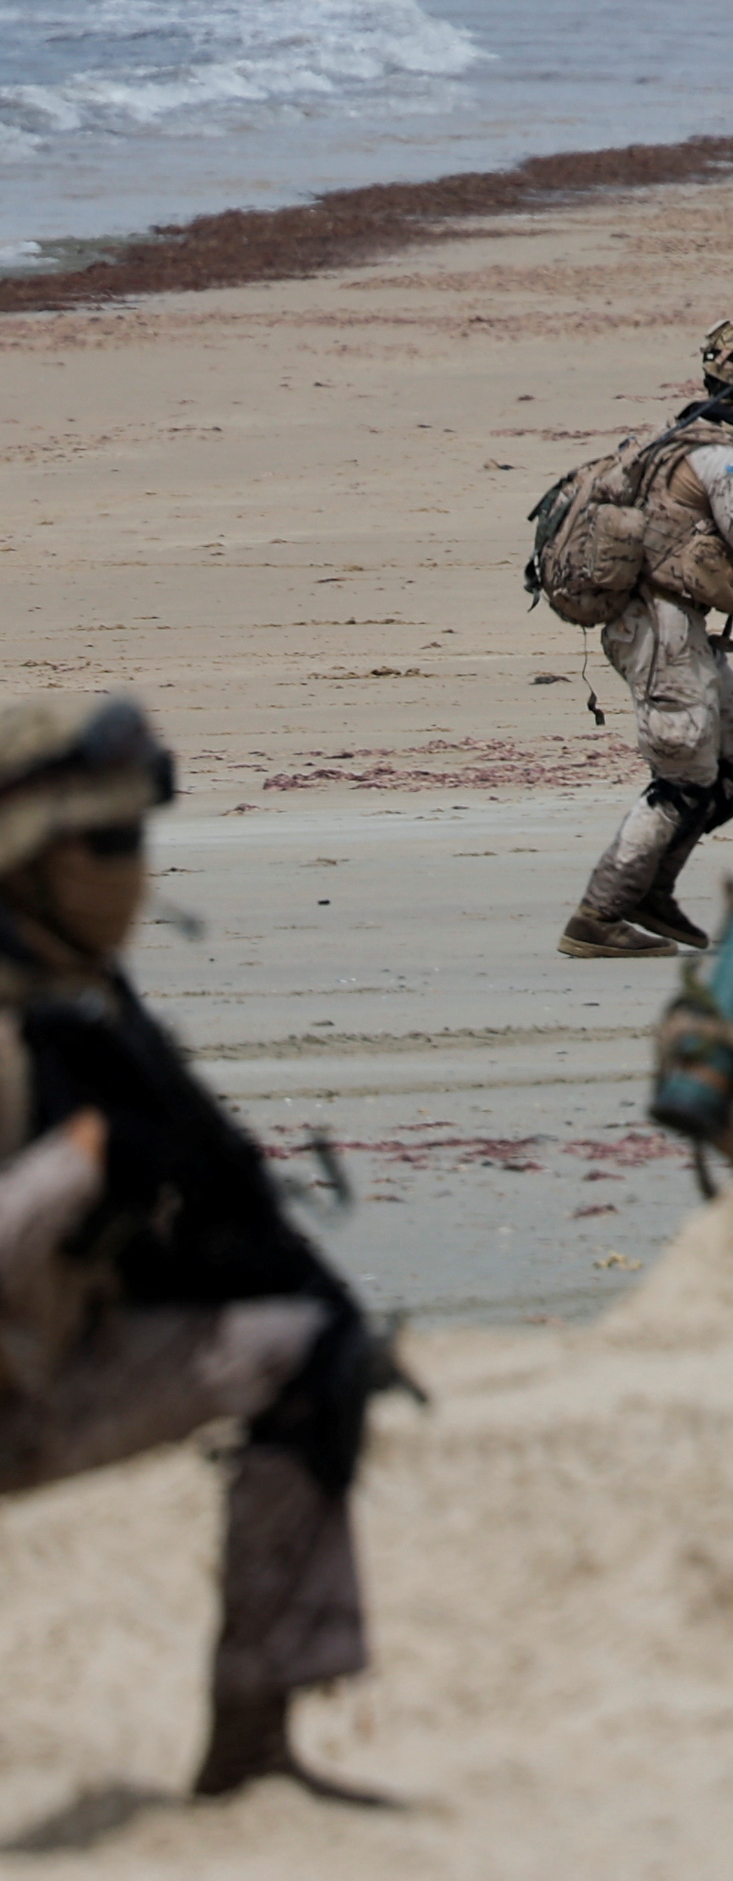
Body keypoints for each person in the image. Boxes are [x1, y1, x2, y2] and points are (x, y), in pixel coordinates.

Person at [2, 697, 393, 1803]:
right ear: (37, 860)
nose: (132, 871)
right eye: (108, 844)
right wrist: (77, 1166)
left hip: (44, 1364)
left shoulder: (80, 997)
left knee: (314, 1356)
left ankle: (253, 1738)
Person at [558, 321, 733, 958]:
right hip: (661, 628)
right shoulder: (723, 460)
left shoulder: (676, 437)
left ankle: (651, 889)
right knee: (683, 776)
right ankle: (599, 913)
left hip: (668, 624)